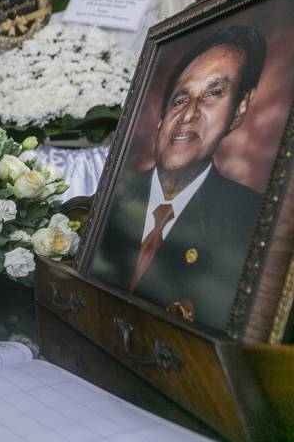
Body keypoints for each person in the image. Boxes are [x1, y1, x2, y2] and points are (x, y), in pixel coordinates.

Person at [90, 25, 266, 330]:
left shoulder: (253, 221)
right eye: (181, 99)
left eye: (213, 93)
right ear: (160, 121)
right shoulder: (112, 196)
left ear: (239, 110)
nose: (188, 114)